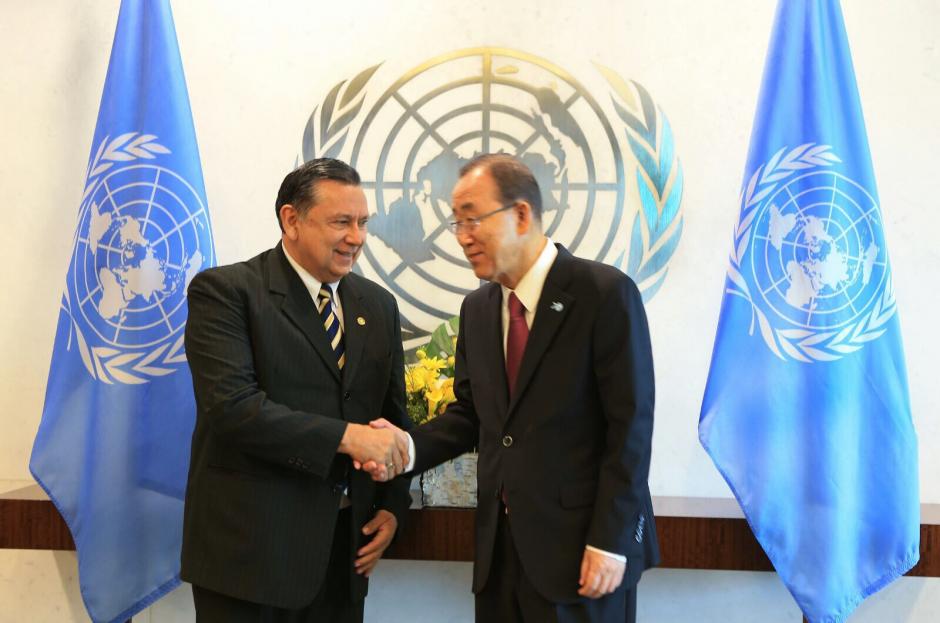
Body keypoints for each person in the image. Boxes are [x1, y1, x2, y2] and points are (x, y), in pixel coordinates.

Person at [366, 154, 659, 622]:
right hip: (500, 561)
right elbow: (471, 415)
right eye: (455, 220)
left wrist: (612, 539)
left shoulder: (603, 294)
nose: (462, 236)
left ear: (521, 214)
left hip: (584, 554)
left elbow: (631, 430)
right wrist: (406, 446)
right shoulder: (478, 309)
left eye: (472, 218)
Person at [181, 158, 412, 623]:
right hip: (250, 561)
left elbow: (393, 416)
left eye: (363, 222)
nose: (357, 237)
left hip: (343, 557)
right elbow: (233, 409)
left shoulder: (378, 304)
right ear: (291, 220)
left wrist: (392, 508)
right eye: (341, 222)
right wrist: (347, 437)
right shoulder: (227, 292)